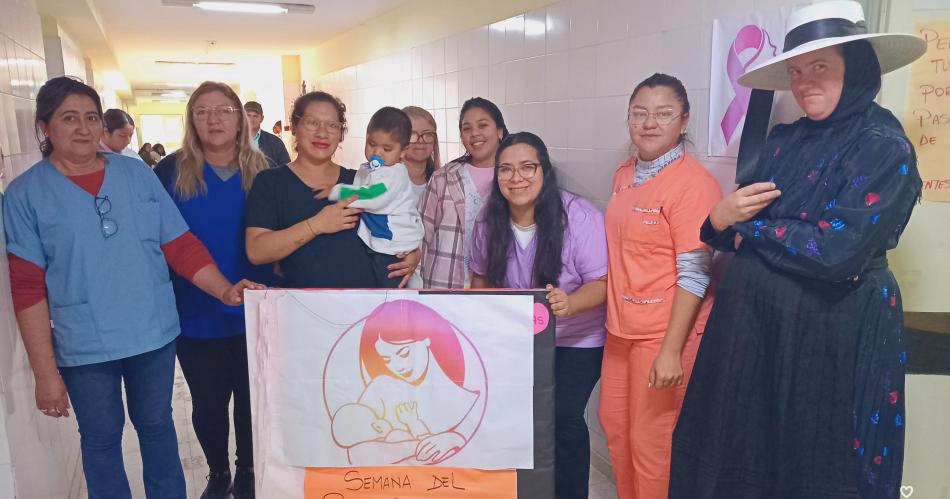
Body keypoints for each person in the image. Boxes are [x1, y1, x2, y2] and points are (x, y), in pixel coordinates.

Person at [669, 2, 926, 498]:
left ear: (857, 67)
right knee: (742, 458)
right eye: (796, 71)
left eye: (820, 67)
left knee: (819, 462)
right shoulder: (784, 141)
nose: (805, 82)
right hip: (757, 335)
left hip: (835, 335)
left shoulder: (883, 146)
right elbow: (732, 223)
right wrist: (722, 220)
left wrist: (748, 230)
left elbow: (836, 251)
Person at [2, 76, 261, 499]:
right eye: (69, 118)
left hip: (152, 333)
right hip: (85, 343)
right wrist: (45, 373)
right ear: (45, 126)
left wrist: (224, 290)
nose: (83, 128)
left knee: (157, 427)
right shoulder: (25, 195)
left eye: (91, 118)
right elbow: (27, 287)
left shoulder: (135, 174)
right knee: (101, 439)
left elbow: (180, 244)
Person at [597, 74, 722, 499]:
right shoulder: (624, 173)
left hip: (664, 334)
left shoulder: (694, 184)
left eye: (664, 114)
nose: (650, 123)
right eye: (640, 113)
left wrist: (671, 351)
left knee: (651, 444)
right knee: (616, 429)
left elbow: (696, 272)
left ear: (683, 121)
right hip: (620, 329)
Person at [469, 132, 608, 499]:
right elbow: (480, 278)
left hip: (577, 338)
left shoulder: (578, 216)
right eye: (506, 169)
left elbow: (603, 282)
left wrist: (570, 303)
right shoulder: (488, 221)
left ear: (544, 170)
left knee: (561, 414)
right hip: (520, 339)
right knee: (520, 416)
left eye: (527, 167)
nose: (516, 178)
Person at [153, 81, 275, 499]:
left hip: (257, 306)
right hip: (195, 309)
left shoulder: (267, 171)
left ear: (240, 118)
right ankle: (218, 472)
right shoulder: (169, 172)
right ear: (191, 120)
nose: (213, 119)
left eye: (223, 110)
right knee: (207, 402)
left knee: (251, 399)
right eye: (202, 111)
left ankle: (248, 470)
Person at [245, 91, 419, 288]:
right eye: (312, 122)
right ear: (294, 126)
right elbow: (257, 252)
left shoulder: (358, 181)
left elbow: (400, 218)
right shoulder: (271, 182)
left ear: (341, 133)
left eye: (332, 125)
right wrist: (316, 225)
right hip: (302, 303)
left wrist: (412, 253)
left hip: (367, 302)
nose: (322, 133)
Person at [340, 300, 483, 465]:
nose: (397, 367)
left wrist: (453, 440)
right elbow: (355, 452)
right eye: (386, 360)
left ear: (427, 340)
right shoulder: (381, 388)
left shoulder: (469, 403)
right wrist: (418, 446)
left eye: (404, 353)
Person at [321, 107, 424, 288]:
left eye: (387, 148)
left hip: (393, 248)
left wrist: (337, 191)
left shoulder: (393, 174)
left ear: (403, 151)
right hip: (381, 242)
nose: (377, 152)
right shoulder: (372, 168)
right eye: (371, 143)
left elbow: (373, 196)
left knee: (390, 294)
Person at [419, 97, 507, 288]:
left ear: (500, 131)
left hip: (495, 290)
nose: (474, 133)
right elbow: (422, 235)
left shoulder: (514, 180)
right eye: (467, 129)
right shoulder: (443, 178)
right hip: (443, 285)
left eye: (483, 125)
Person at [401, 105, 442, 288]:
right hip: (396, 274)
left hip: (433, 278)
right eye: (412, 134)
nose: (420, 141)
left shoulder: (443, 181)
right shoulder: (385, 180)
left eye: (427, 134)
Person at [244, 100, 291, 167]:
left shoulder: (275, 142)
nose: (251, 119)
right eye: (248, 115)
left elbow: (286, 169)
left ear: (262, 118)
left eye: (255, 116)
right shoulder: (234, 142)